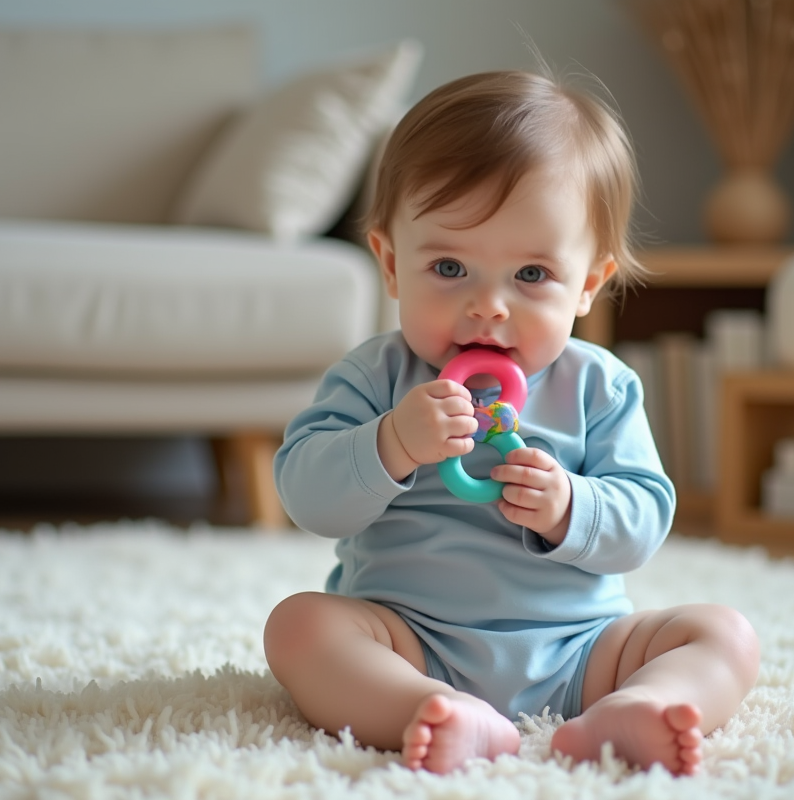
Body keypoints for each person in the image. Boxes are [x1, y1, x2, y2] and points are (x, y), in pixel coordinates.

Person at [264, 69, 760, 777]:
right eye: (449, 266)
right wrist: (391, 443)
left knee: (725, 633)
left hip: (583, 650)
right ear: (391, 263)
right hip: (410, 642)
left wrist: (569, 507)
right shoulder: (376, 376)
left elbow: (645, 517)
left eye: (530, 276)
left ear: (589, 282)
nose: (489, 306)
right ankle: (427, 710)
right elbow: (307, 496)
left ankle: (638, 707)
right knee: (299, 627)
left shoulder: (599, 386)